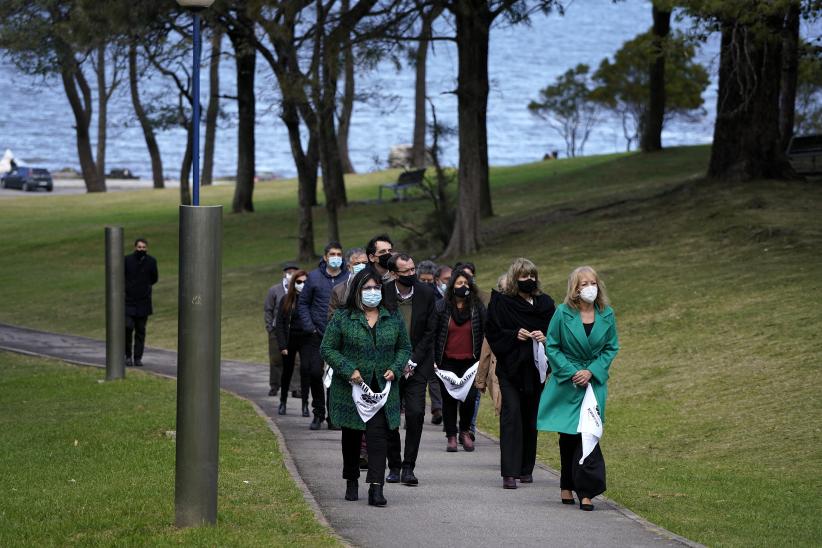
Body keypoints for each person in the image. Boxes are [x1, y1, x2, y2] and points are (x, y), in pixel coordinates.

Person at [321, 269, 411, 507]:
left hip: (381, 390)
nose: (373, 292)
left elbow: (404, 348)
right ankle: (351, 478)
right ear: (357, 291)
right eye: (367, 288)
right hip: (352, 388)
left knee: (378, 436)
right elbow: (327, 349)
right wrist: (348, 369)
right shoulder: (343, 317)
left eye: (377, 288)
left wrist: (396, 367)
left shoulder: (392, 316)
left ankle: (376, 487)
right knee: (351, 436)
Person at [537, 266, 619, 511]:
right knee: (569, 436)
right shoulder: (562, 313)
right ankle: (566, 484)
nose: (589, 288)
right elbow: (552, 346)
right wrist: (572, 372)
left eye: (592, 282)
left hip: (593, 383)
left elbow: (611, 348)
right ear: (575, 288)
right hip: (568, 382)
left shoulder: (607, 314)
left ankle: (586, 491)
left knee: (589, 432)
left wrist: (592, 370)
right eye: (584, 284)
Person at [486, 258, 555, 489]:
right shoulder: (502, 303)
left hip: (536, 370)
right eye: (524, 276)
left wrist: (546, 338)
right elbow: (494, 332)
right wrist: (514, 334)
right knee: (511, 415)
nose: (529, 280)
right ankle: (509, 471)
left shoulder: (545, 304)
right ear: (515, 279)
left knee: (530, 418)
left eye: (532, 276)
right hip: (511, 369)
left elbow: (556, 333)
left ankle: (526, 468)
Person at [383, 253, 437, 485]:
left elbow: (430, 330)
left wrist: (413, 360)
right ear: (394, 274)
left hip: (417, 364)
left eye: (413, 269)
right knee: (390, 417)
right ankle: (394, 465)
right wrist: (396, 362)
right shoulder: (383, 293)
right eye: (406, 272)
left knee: (415, 414)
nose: (411, 274)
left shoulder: (426, 293)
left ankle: (408, 467)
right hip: (389, 366)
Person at [433, 269, 486, 452]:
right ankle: (451, 436)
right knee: (448, 400)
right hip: (446, 362)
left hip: (471, 363)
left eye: (466, 283)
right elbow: (434, 334)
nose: (463, 287)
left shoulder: (477, 307)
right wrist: (433, 359)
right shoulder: (441, 307)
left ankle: (465, 431)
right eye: (459, 283)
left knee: (469, 399)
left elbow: (485, 333)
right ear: (452, 286)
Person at [298, 242, 347, 430]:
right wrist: (309, 327)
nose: (336, 257)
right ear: (325, 257)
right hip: (317, 334)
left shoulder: (348, 277)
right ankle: (318, 413)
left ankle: (333, 416)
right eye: (332, 254)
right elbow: (303, 304)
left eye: (339, 254)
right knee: (315, 373)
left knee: (335, 377)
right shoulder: (314, 277)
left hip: (339, 336)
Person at [275, 269, 311, 416]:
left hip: (306, 339)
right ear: (293, 283)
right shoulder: (286, 299)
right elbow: (280, 324)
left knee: (305, 370)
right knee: (287, 372)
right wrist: (282, 345)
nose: (302, 284)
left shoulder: (310, 299)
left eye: (305, 282)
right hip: (290, 339)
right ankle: (283, 401)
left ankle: (305, 405)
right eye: (299, 282)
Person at [264, 262, 300, 397]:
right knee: (276, 359)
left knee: (296, 360)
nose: (291, 274)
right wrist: (269, 327)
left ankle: (295, 387)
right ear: (284, 273)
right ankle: (275, 385)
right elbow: (268, 309)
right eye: (289, 271)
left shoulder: (301, 289)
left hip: (294, 330)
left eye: (294, 271)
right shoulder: (274, 290)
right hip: (276, 330)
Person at [475, 275, 506, 418]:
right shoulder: (494, 313)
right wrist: (481, 380)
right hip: (498, 371)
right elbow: (486, 349)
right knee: (504, 411)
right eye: (502, 290)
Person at [124, 238, 158, 367]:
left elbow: (154, 278)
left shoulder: (151, 261)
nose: (141, 249)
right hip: (128, 301)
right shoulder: (127, 260)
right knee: (127, 328)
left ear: (147, 249)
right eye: (139, 247)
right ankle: (127, 355)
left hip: (143, 301)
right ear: (135, 248)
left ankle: (137, 358)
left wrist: (144, 287)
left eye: (144, 247)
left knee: (140, 331)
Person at [418, 261, 443, 425]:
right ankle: (414, 410)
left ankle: (437, 408)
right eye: (423, 280)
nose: (426, 283)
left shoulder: (439, 296)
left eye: (429, 280)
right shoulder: (413, 293)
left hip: (434, 339)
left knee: (434, 376)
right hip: (417, 340)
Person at [328, 248, 369, 320]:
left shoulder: (379, 285)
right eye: (357, 263)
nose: (362, 266)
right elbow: (332, 317)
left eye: (365, 263)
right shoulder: (338, 290)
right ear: (349, 267)